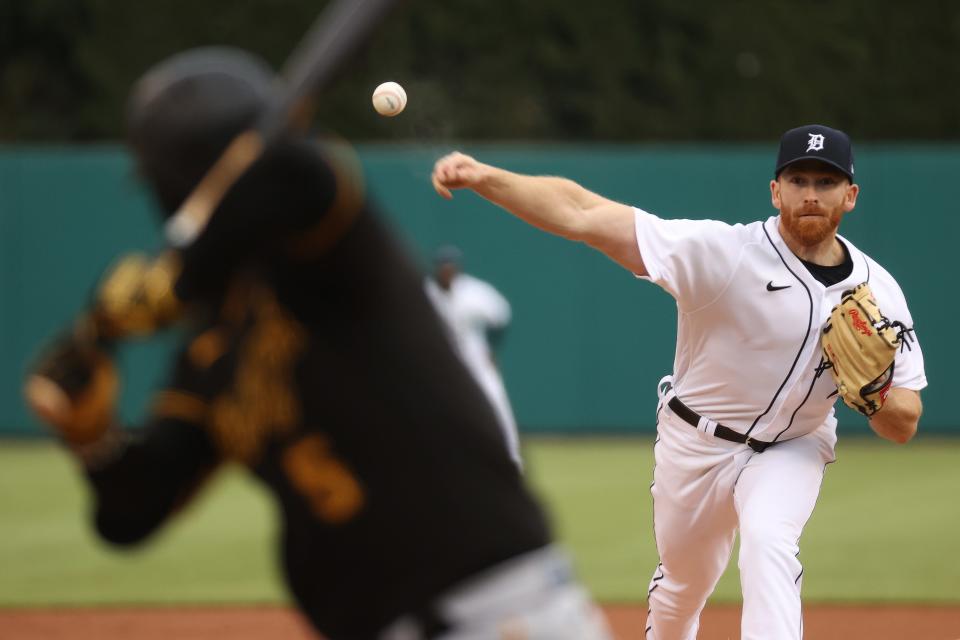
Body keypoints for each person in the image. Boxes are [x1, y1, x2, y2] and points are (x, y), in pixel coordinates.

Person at [24, 48, 613, 640]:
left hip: (496, 620)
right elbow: (133, 514)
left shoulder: (327, 255)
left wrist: (169, 283)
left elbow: (302, 177)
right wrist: (92, 441)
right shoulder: (209, 347)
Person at [430, 124, 927, 640]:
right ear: (775, 190)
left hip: (792, 446)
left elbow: (903, 422)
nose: (810, 194)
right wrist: (487, 177)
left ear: (850, 195)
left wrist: (874, 394)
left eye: (826, 183)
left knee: (769, 543)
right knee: (682, 590)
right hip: (695, 444)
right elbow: (583, 213)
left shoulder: (879, 292)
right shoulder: (723, 253)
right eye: (797, 179)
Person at [424, 245, 522, 466]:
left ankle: (512, 458)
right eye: (444, 267)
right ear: (437, 268)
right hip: (442, 358)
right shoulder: (427, 292)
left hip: (474, 354)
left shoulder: (473, 291)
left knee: (496, 401)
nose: (447, 271)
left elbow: (501, 317)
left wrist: (493, 351)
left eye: (451, 266)